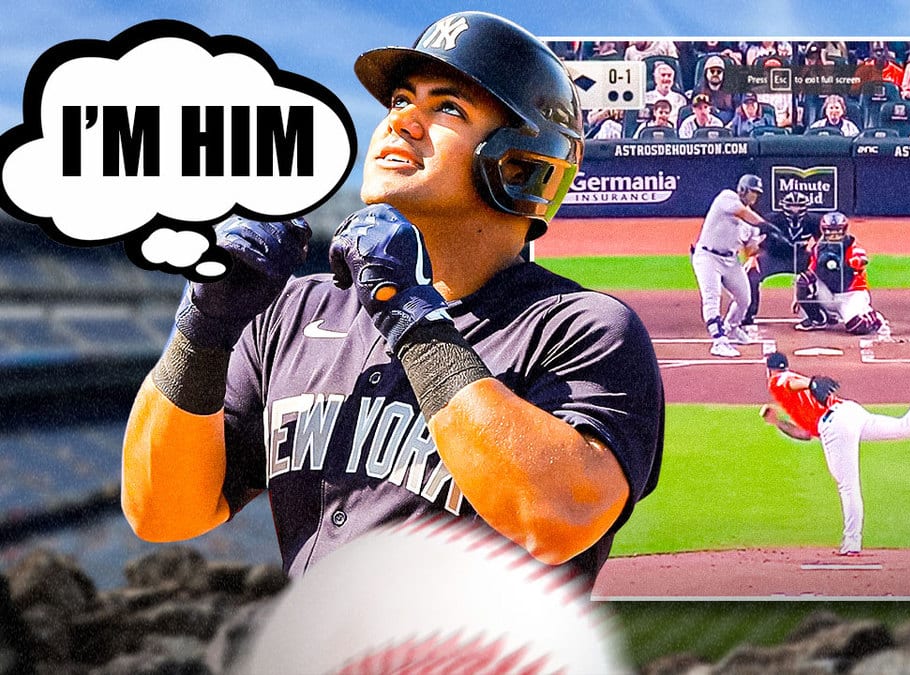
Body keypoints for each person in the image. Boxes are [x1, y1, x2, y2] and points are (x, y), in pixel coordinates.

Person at [121, 11, 665, 586]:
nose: (401, 120)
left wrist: (407, 314)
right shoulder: (291, 311)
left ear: (522, 165)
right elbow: (162, 512)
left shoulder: (584, 328)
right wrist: (201, 331)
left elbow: (556, 518)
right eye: (401, 99)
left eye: (447, 107)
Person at [761, 352, 910, 555]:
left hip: (836, 423)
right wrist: (777, 422)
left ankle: (851, 543)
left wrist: (810, 383)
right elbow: (804, 434)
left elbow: (788, 380)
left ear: (769, 369)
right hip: (849, 412)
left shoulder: (777, 381)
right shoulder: (795, 403)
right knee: (904, 427)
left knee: (847, 485)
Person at [691, 174, 769, 357]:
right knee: (712, 297)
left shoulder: (752, 225)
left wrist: (767, 243)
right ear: (743, 189)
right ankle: (718, 341)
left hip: (731, 260)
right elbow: (742, 213)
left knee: (744, 298)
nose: (754, 197)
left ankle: (731, 328)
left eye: (757, 194)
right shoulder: (727, 198)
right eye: (752, 192)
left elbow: (749, 251)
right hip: (707, 257)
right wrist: (767, 225)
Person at [793, 212, 888, 335]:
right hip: (829, 294)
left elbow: (860, 257)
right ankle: (818, 319)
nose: (834, 234)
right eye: (830, 231)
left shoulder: (851, 246)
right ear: (823, 230)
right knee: (803, 280)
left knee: (858, 326)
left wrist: (856, 262)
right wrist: (799, 295)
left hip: (850, 295)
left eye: (837, 231)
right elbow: (811, 271)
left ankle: (873, 317)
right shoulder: (818, 248)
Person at [742, 192, 820, 329]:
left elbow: (820, 245)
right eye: (791, 206)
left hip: (799, 257)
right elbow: (753, 238)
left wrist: (815, 264)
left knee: (822, 271)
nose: (794, 210)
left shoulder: (813, 221)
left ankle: (817, 313)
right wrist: (752, 257)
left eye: (798, 206)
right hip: (773, 256)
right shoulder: (772, 219)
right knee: (751, 275)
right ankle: (748, 314)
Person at [644, 61, 688, 126]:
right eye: (663, 75)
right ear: (655, 78)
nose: (666, 78)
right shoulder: (645, 98)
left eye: (669, 75)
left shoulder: (680, 99)